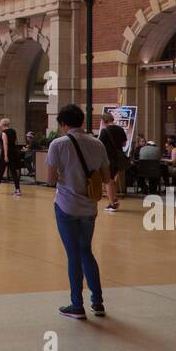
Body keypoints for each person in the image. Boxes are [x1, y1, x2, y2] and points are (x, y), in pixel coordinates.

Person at [43, 103, 112, 319]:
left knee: (73, 254)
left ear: (63, 123)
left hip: (66, 205)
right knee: (86, 251)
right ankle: (98, 302)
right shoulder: (97, 143)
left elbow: (50, 179)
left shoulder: (58, 144)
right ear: (81, 121)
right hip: (89, 207)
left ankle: (76, 305)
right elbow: (106, 177)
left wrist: (67, 175)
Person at [98, 110, 128, 213]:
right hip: (118, 159)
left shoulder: (104, 131)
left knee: (108, 181)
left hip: (108, 159)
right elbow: (124, 144)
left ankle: (112, 204)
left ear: (105, 121)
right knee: (112, 180)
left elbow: (100, 145)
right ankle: (114, 200)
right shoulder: (120, 129)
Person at [0, 117, 21, 195]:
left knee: (1, 171)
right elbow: (16, 142)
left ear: (2, 124)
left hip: (6, 153)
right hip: (13, 153)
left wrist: (6, 155)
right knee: (14, 172)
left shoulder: (4, 133)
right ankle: (17, 189)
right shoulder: (13, 131)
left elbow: (5, 144)